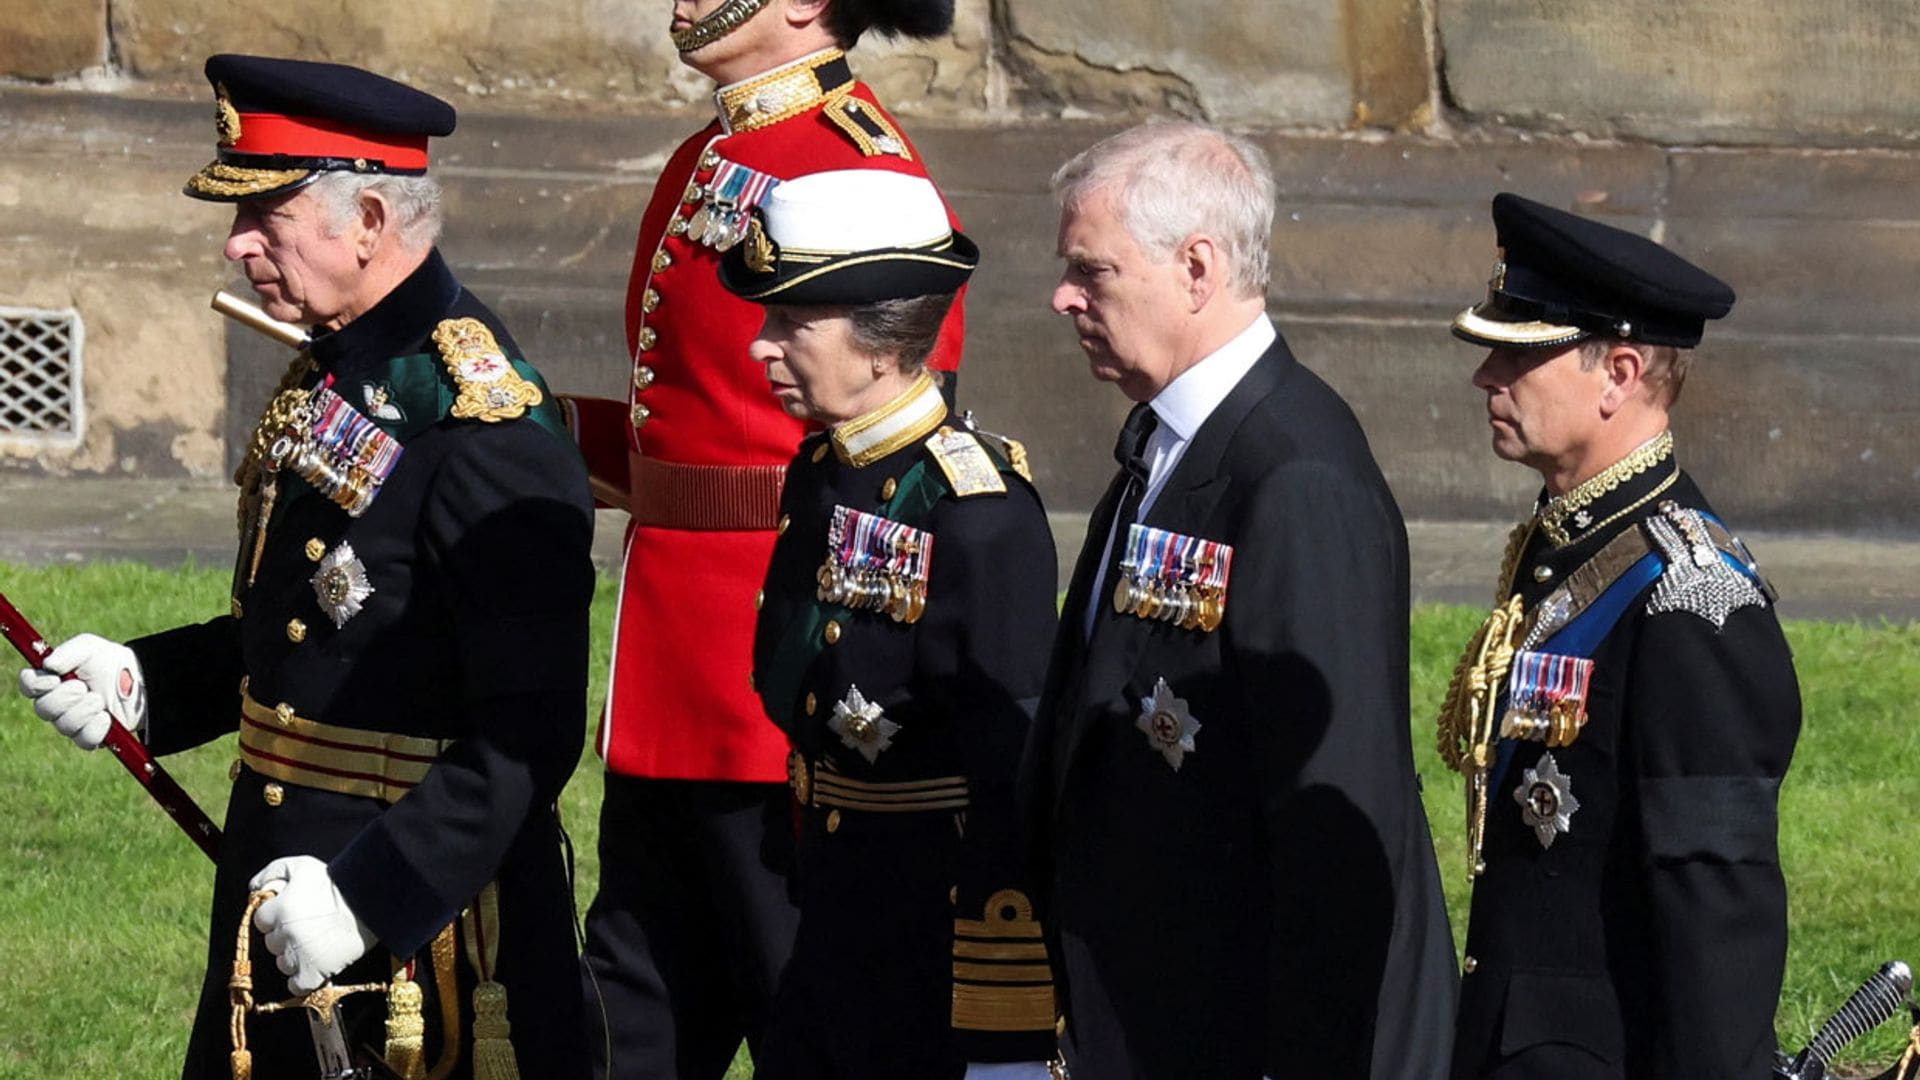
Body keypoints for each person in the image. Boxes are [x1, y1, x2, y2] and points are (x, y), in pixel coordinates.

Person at [15, 55, 594, 1079]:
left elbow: (527, 736)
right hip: (286, 893)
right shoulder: (344, 371)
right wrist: (146, 684)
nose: (237, 245)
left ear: (369, 219)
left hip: (418, 940)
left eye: (266, 218)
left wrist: (373, 893)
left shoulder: (480, 420)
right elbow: (306, 630)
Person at [558, 2, 968, 1076]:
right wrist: (527, 429)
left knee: (800, 1010)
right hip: (670, 665)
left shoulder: (858, 165)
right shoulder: (712, 149)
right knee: (630, 1018)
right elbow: (687, 421)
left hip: (772, 668)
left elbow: (895, 451)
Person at [1020, 120, 1458, 1080]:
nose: (1064, 297)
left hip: (1240, 1030)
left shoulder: (1295, 474)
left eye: (1092, 272)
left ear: (1197, 266)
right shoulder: (1172, 438)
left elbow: (1337, 813)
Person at [1436, 193, 1801, 1079]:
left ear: (1620, 372)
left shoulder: (1692, 598)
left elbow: (1716, 906)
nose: (1488, 376)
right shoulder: (1569, 542)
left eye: (1520, 355)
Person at [722, 168, 1057, 1080]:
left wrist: (1006, 1022)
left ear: (880, 344)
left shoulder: (976, 511)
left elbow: (1012, 778)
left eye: (792, 322)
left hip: (933, 939)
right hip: (824, 904)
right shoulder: (821, 469)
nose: (762, 345)